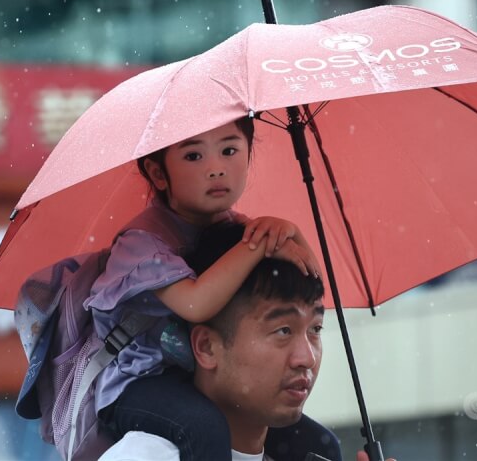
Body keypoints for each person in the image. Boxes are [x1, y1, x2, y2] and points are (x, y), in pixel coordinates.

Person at [86, 117, 338, 460]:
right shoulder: (142, 244)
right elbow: (195, 305)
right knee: (203, 428)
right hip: (139, 384)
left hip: (188, 376)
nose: (216, 168)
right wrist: (260, 246)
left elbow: (309, 286)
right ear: (158, 174)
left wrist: (291, 233)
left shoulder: (237, 230)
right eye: (194, 156)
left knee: (319, 443)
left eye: (229, 150)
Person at [99, 223, 394, 461]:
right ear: (206, 347)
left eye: (315, 329)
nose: (307, 358)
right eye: (283, 331)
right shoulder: (147, 456)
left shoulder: (310, 452)